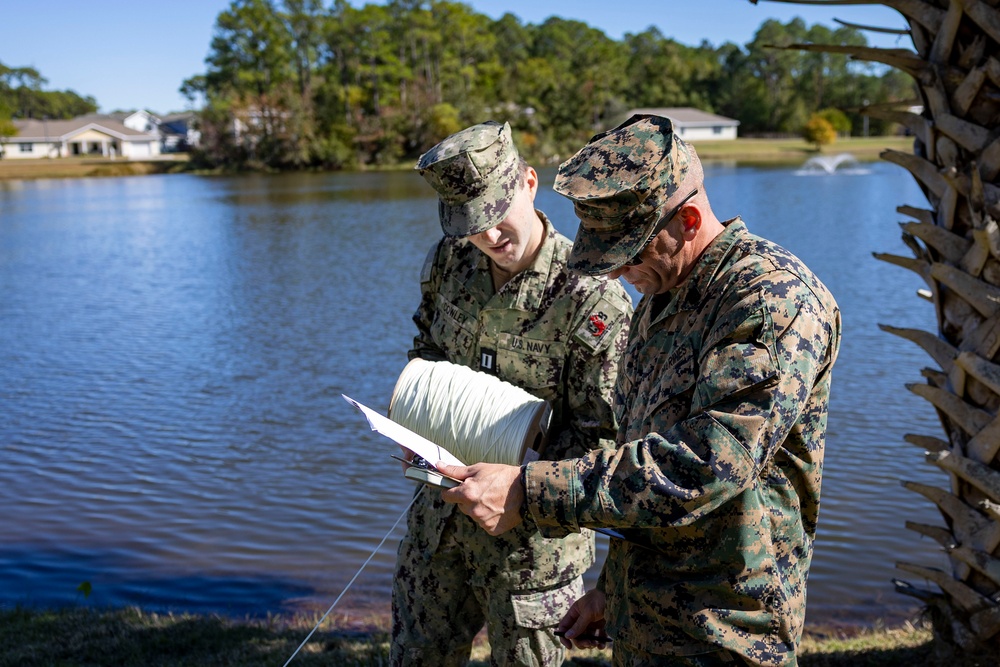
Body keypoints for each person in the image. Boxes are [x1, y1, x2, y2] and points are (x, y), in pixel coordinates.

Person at [437, 114, 843, 666]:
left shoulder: (771, 300)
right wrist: (612, 588)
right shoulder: (662, 296)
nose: (616, 271)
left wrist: (528, 491)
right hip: (646, 626)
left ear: (690, 219)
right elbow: (638, 451)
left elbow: (706, 463)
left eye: (630, 252)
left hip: (727, 634)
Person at [391, 120, 633, 666]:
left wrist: (522, 481)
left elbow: (609, 444)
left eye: (497, 216)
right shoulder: (449, 262)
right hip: (438, 523)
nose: (489, 236)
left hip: (533, 554)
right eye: (472, 225)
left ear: (529, 181)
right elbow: (426, 351)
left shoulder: (594, 301)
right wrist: (415, 421)